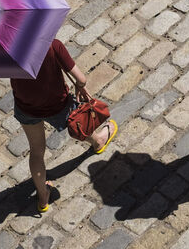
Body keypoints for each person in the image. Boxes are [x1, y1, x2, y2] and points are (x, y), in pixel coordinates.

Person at [11, 39, 117, 212]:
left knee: (36, 152)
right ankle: (97, 141)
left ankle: (43, 195)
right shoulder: (52, 45)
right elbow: (81, 78)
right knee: (79, 124)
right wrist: (79, 86)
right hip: (58, 105)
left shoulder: (8, 54)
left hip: (26, 108)